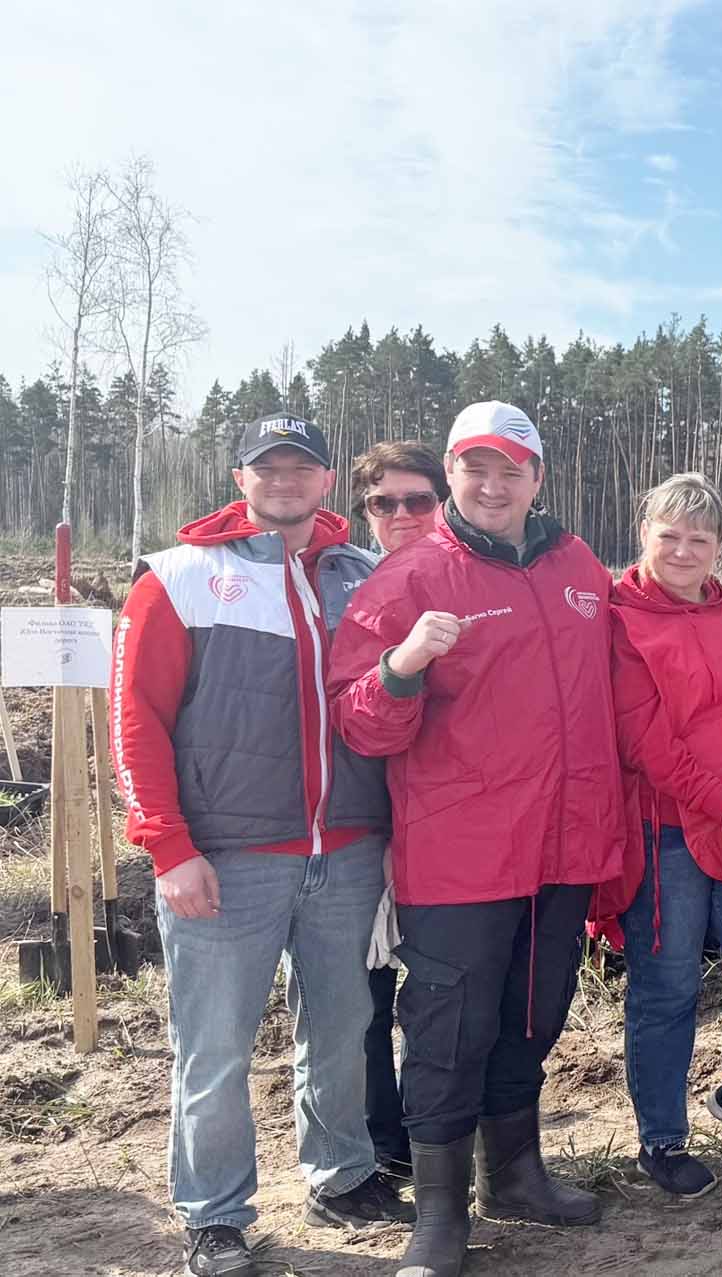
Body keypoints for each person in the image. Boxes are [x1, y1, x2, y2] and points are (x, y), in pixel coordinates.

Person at [112, 414, 413, 1277]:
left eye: (302, 466)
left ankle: (343, 1172)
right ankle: (214, 1212)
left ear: (326, 482)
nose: (284, 479)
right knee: (215, 1042)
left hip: (348, 849)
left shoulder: (362, 576)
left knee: (347, 1023)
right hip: (229, 855)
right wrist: (167, 847)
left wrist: (391, 837)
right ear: (241, 477)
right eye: (267, 465)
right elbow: (135, 721)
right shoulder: (180, 578)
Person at [329, 402, 625, 1277]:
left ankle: (520, 1174)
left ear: (539, 476)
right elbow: (361, 725)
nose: (493, 486)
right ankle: (440, 1213)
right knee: (449, 1030)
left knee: (532, 1017)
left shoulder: (579, 567)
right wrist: (400, 666)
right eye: (475, 468)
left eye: (512, 469)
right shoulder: (411, 580)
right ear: (453, 475)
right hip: (461, 854)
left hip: (565, 847)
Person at [584, 472, 722, 1200]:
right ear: (643, 532)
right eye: (668, 534)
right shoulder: (619, 618)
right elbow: (643, 737)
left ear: (719, 546)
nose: (682, 550)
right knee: (668, 981)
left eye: (699, 538)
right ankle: (661, 1137)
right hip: (666, 833)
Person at [348, 440, 451, 1181]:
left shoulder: (462, 575)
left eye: (420, 500)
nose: (404, 515)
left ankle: (433, 1133)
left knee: (439, 992)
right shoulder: (345, 583)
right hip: (352, 823)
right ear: (365, 512)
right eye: (386, 502)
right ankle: (378, 1146)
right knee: (361, 998)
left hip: (439, 823)